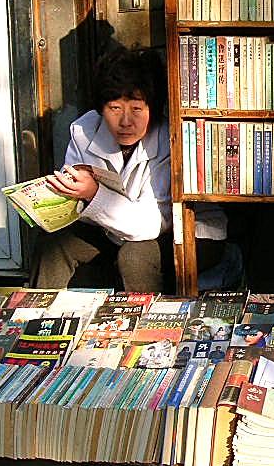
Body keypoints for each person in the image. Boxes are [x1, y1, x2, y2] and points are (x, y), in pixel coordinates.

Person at [33, 47, 227, 292]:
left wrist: (93, 194)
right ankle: (37, 312)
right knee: (53, 245)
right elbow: (76, 207)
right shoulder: (84, 131)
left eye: (136, 109)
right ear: (101, 108)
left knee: (135, 256)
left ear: (153, 108)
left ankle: (149, 316)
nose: (125, 121)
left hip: (182, 231)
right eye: (115, 108)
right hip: (112, 229)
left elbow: (150, 224)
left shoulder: (169, 139)